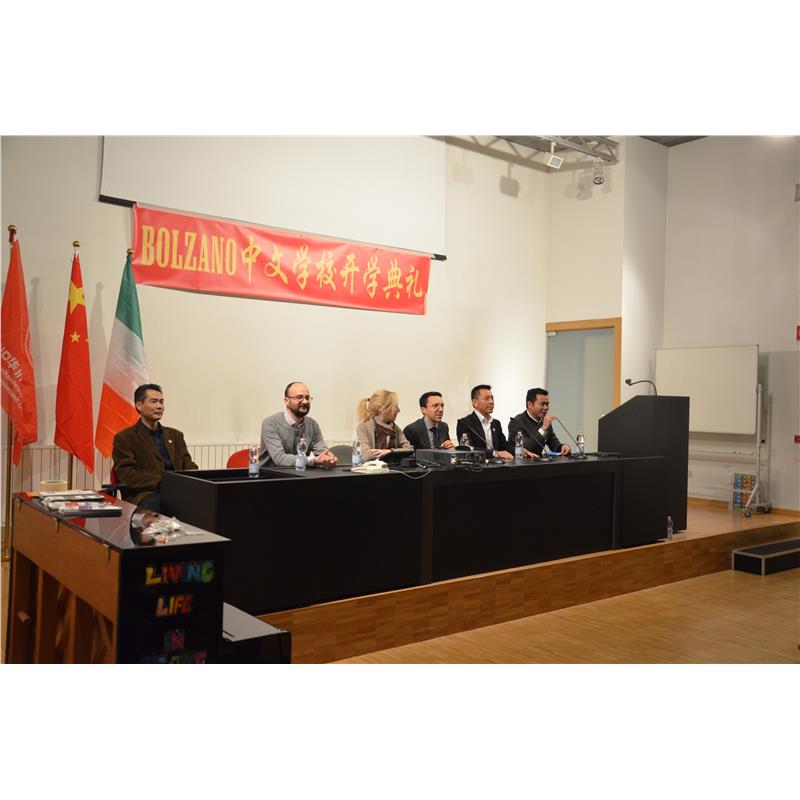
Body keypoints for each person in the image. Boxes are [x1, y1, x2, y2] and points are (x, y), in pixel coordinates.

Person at [112, 383, 198, 512]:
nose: (159, 406)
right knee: (160, 503)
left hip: (179, 490)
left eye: (161, 402)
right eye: (154, 401)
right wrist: (162, 482)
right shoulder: (125, 438)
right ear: (139, 405)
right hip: (146, 493)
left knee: (208, 500)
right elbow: (128, 474)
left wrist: (190, 480)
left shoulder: (175, 435)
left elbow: (188, 463)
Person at [260, 381, 338, 468]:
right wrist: (313, 460)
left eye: (307, 398)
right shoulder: (270, 423)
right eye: (299, 397)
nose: (305, 401)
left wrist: (329, 458)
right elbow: (280, 458)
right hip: (270, 474)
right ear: (286, 401)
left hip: (300, 473)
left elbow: (322, 452)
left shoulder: (312, 425)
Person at [507, 387, 571, 457]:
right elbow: (526, 448)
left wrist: (562, 447)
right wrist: (542, 429)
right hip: (522, 463)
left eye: (547, 404)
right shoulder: (516, 422)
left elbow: (554, 445)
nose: (546, 407)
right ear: (529, 404)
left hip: (539, 462)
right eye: (542, 404)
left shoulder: (544, 421)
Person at [456, 384, 513, 461]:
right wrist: (493, 453)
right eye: (487, 399)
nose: (491, 402)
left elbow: (504, 446)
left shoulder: (495, 423)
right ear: (475, 403)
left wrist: (519, 450)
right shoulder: (464, 423)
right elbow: (468, 449)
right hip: (477, 465)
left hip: (497, 464)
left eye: (492, 398)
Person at [355, 389, 413, 461]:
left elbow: (410, 449)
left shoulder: (395, 428)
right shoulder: (364, 428)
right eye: (396, 406)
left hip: (394, 467)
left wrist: (389, 451)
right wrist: (396, 452)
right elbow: (366, 456)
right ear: (383, 408)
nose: (399, 410)